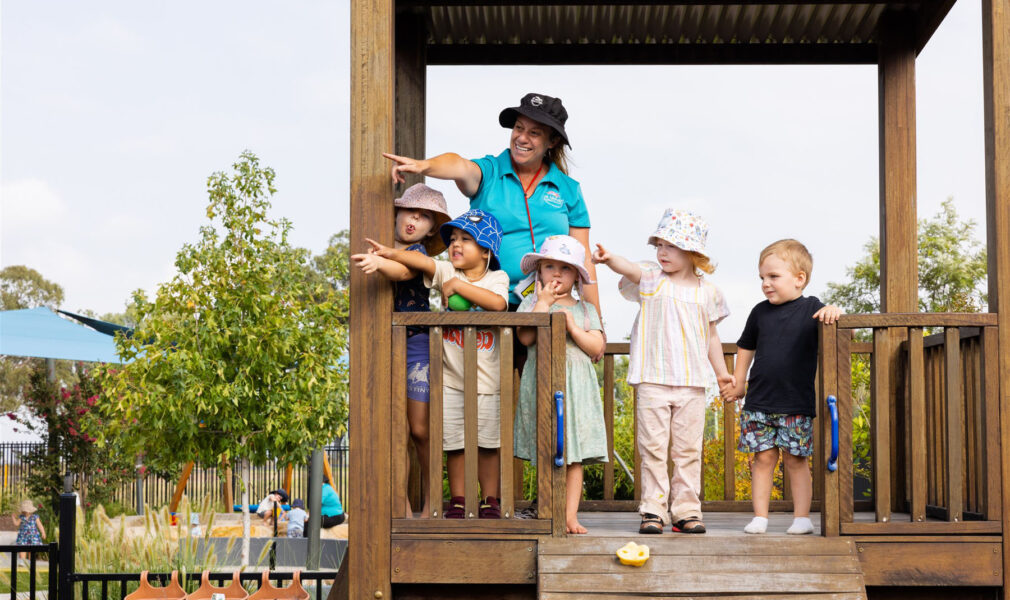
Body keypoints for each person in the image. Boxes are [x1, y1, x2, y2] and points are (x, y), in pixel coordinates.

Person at [382, 92, 604, 359]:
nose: (522, 138)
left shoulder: (569, 190)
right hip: (484, 304)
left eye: (534, 132)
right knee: (485, 394)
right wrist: (424, 166)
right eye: (518, 128)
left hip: (545, 308)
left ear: (552, 140)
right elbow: (459, 166)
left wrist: (596, 323)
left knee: (539, 393)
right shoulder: (489, 171)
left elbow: (584, 258)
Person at [593, 209, 734, 534]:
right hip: (653, 381)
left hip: (692, 384)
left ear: (692, 252)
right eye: (659, 245)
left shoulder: (708, 292)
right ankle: (653, 510)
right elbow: (629, 268)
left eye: (671, 246)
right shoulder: (652, 279)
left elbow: (711, 336)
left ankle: (686, 510)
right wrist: (610, 257)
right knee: (652, 448)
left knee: (687, 450)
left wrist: (721, 373)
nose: (662, 252)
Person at [361, 209, 508, 518]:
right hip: (451, 379)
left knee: (486, 443)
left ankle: (490, 499)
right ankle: (457, 498)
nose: (455, 244)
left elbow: (497, 304)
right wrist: (391, 252)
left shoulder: (498, 277)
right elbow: (424, 262)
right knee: (454, 443)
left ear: (485, 251)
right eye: (452, 239)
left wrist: (460, 289)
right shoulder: (446, 272)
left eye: (465, 239)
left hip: (487, 380)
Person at [721, 239, 842, 535]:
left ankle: (802, 517)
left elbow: (832, 314)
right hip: (759, 402)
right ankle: (760, 517)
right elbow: (745, 347)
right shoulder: (759, 312)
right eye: (762, 277)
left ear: (799, 279)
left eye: (773, 277)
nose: (765, 283)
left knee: (796, 460)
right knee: (762, 460)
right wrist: (739, 381)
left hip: (795, 403)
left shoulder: (812, 308)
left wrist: (834, 311)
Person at [351, 183, 451, 518]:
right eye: (410, 211)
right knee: (396, 429)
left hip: (416, 344)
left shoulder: (418, 255)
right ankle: (403, 507)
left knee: (421, 429)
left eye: (423, 218)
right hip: (383, 345)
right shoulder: (379, 249)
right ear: (397, 211)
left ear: (431, 229)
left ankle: (432, 502)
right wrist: (377, 259)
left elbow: (403, 271)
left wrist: (380, 263)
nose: (414, 220)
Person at [513, 235, 608, 534]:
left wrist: (571, 326)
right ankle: (545, 508)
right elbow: (525, 337)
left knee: (573, 454)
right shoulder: (532, 303)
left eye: (565, 268)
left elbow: (596, 347)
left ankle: (569, 515)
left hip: (576, 391)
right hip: (543, 386)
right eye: (549, 266)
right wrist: (543, 303)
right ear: (538, 272)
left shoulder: (586, 311)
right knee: (546, 447)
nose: (556, 273)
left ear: (577, 277)